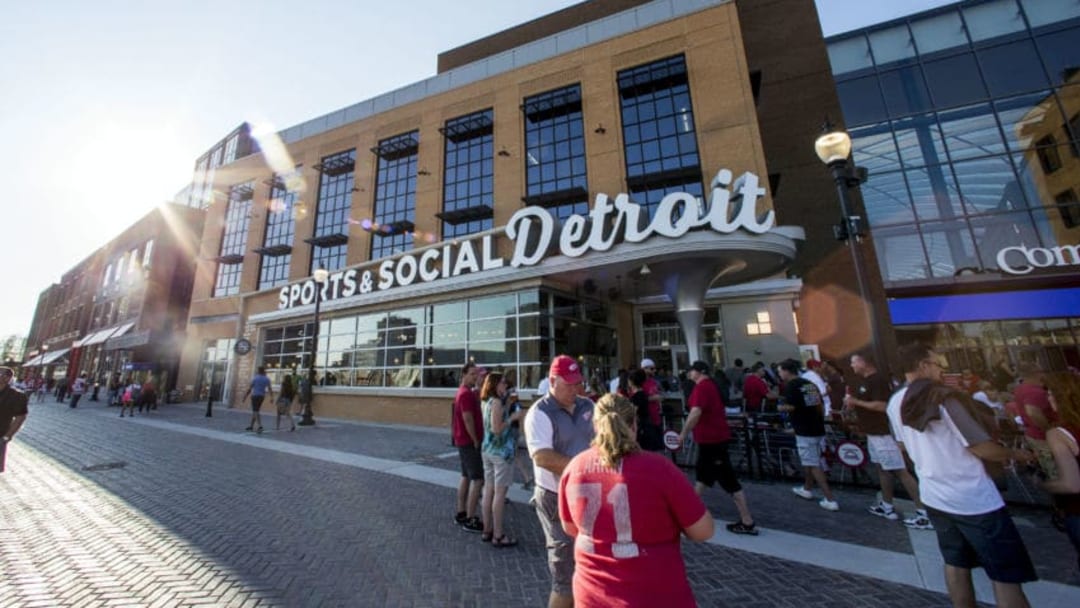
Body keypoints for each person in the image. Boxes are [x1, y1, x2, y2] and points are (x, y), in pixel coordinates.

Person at [888, 343, 1037, 608]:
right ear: (923, 366)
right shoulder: (944, 398)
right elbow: (980, 447)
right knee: (1005, 575)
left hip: (934, 494)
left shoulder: (895, 401)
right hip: (975, 498)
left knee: (955, 563)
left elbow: (902, 446)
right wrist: (1018, 455)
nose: (942, 370)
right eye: (938, 365)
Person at [559, 394, 713, 607]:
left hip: (593, 595)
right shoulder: (660, 468)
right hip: (655, 594)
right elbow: (703, 530)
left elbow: (570, 527)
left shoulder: (575, 467)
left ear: (595, 425)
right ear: (634, 424)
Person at [524, 354, 596, 608]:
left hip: (588, 493)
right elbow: (542, 457)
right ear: (552, 381)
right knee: (564, 571)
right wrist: (587, 468)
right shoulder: (539, 414)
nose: (575, 390)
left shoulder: (588, 406)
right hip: (556, 497)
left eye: (578, 383)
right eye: (569, 384)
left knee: (589, 562)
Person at [847, 352, 932, 529]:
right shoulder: (865, 382)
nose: (852, 366)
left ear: (864, 362)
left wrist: (856, 402)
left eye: (854, 362)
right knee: (882, 468)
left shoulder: (878, 380)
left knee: (900, 470)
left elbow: (882, 405)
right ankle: (887, 505)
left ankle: (924, 512)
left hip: (883, 433)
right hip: (873, 433)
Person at [678, 360, 758, 535]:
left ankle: (747, 520)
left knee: (727, 480)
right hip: (712, 440)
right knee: (703, 477)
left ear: (699, 372)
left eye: (692, 371)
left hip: (712, 440)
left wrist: (683, 433)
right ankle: (686, 513)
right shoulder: (710, 386)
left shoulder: (703, 388)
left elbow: (695, 412)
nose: (690, 374)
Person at [778, 359, 839, 511]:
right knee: (810, 460)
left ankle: (829, 498)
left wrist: (781, 407)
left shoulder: (791, 386)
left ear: (786, 371)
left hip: (804, 429)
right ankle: (807, 488)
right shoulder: (808, 384)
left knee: (813, 463)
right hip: (817, 426)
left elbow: (792, 406)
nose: (779, 374)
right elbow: (817, 403)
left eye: (780, 371)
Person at [479, 372, 525, 547]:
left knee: (488, 490)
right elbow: (497, 429)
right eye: (503, 383)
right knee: (499, 493)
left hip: (488, 450)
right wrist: (512, 418)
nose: (505, 386)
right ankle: (498, 535)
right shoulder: (496, 402)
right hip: (500, 453)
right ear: (495, 384)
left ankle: (487, 530)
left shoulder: (486, 402)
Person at [1043, 372, 1080, 570]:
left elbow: (1072, 484)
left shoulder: (1059, 434)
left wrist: (1043, 484)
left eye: (1051, 394)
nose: (1048, 398)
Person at [452, 362, 484, 532]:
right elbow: (468, 419)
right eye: (472, 374)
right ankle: (471, 519)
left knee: (465, 476)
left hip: (463, 441)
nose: (475, 377)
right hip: (468, 442)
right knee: (477, 479)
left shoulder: (467, 393)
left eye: (476, 374)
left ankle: (461, 512)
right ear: (463, 374)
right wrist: (475, 439)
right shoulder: (465, 394)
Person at [0, 367, 29, 473]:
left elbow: (20, 417)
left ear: (8, 378)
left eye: (1, 374)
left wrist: (8, 436)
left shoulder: (17, 396)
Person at [627, 369, 663, 452]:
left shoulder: (637, 396)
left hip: (641, 428)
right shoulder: (642, 394)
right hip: (646, 426)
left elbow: (632, 413)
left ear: (631, 381)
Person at [243, 366, 273, 434]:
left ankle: (260, 426)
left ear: (258, 371)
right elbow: (270, 388)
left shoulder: (255, 378)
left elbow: (250, 388)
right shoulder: (267, 379)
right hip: (262, 396)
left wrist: (245, 396)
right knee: (256, 410)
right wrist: (271, 397)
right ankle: (251, 426)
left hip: (255, 396)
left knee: (255, 411)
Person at [638, 358, 663, 431]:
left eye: (654, 368)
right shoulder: (640, 382)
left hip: (656, 416)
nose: (654, 371)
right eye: (652, 369)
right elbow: (637, 399)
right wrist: (653, 398)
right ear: (644, 369)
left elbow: (656, 393)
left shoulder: (653, 382)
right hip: (647, 418)